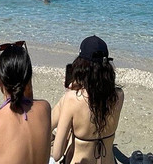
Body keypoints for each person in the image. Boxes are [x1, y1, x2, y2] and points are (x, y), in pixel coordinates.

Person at [52, 36, 124, 164]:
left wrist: (69, 94)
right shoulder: (119, 95)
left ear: (80, 66)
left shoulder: (72, 99)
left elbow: (57, 154)